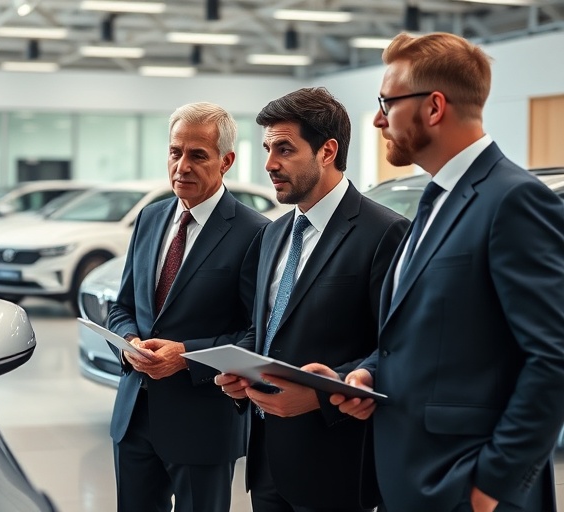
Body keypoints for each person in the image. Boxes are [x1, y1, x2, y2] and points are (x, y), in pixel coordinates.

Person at [331, 32, 564, 512]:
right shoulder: (434, 200)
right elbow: (431, 335)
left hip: (466, 487)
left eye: (386, 102)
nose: (377, 119)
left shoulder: (514, 200)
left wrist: (494, 484)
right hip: (411, 480)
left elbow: (553, 357)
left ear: (434, 107)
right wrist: (367, 374)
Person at [214, 87, 409, 512]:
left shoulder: (385, 233)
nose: (269, 164)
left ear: (327, 151)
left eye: (284, 148)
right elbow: (266, 330)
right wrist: (238, 371)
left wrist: (321, 395)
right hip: (266, 462)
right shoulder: (272, 234)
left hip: (337, 462)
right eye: (267, 148)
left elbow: (397, 350)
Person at [107, 101, 269, 512]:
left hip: (203, 425)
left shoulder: (255, 233)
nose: (182, 166)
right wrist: (128, 341)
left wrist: (188, 357)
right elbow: (122, 306)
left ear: (226, 160)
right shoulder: (150, 218)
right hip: (134, 417)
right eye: (175, 152)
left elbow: (257, 335)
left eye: (198, 155)